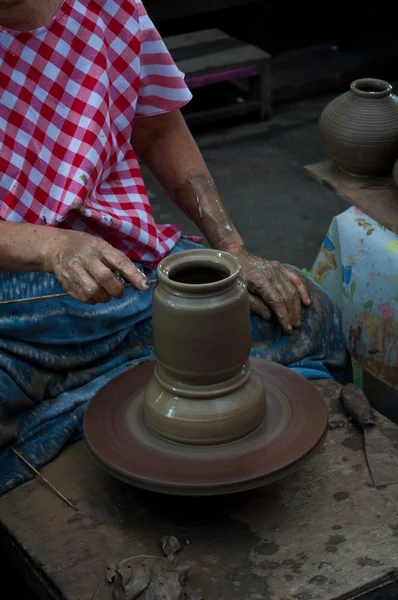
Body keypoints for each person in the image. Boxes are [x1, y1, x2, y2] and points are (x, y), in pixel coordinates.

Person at [0, 0, 346, 495]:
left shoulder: (108, 9)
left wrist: (232, 248)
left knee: (307, 313)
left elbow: (159, 129)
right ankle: (100, 393)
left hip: (123, 272)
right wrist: (50, 246)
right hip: (13, 305)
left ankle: (90, 391)